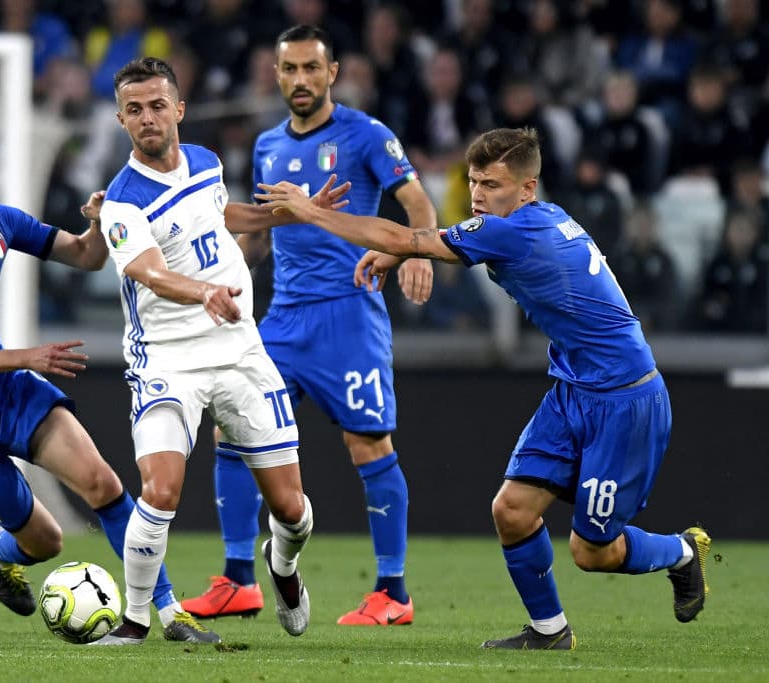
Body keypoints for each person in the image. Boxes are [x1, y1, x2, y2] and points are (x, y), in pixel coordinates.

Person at [256, 127, 712, 649]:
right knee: (511, 511)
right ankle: (549, 632)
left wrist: (311, 212)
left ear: (526, 189)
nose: (477, 194)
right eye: (473, 181)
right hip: (573, 389)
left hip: (626, 400)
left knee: (592, 553)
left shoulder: (513, 232)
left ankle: (681, 551)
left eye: (492, 184)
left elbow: (410, 237)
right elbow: (432, 242)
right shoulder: (536, 219)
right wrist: (403, 253)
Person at [0, 126, 215, 644]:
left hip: (5, 391)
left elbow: (86, 257)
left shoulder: (3, 224)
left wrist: (102, 224)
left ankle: (169, 612)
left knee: (103, 484)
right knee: (46, 540)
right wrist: (27, 356)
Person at [181, 24, 437, 627]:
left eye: (310, 69)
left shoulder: (367, 135)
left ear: (332, 73)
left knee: (368, 444)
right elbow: (261, 234)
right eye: (289, 69)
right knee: (230, 429)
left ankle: (393, 592)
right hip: (283, 319)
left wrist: (416, 252)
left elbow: (418, 204)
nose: (300, 79)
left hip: (349, 315)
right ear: (276, 74)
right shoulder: (268, 144)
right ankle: (239, 579)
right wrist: (218, 275)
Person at [90, 57, 318, 645]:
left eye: (157, 105)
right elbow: (148, 271)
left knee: (291, 509)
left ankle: (284, 567)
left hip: (240, 349)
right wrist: (205, 291)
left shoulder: (207, 163)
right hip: (167, 357)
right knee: (160, 490)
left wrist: (282, 213)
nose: (147, 117)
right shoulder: (121, 202)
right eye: (134, 109)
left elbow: (217, 216)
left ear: (179, 109)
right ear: (120, 119)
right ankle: (136, 620)